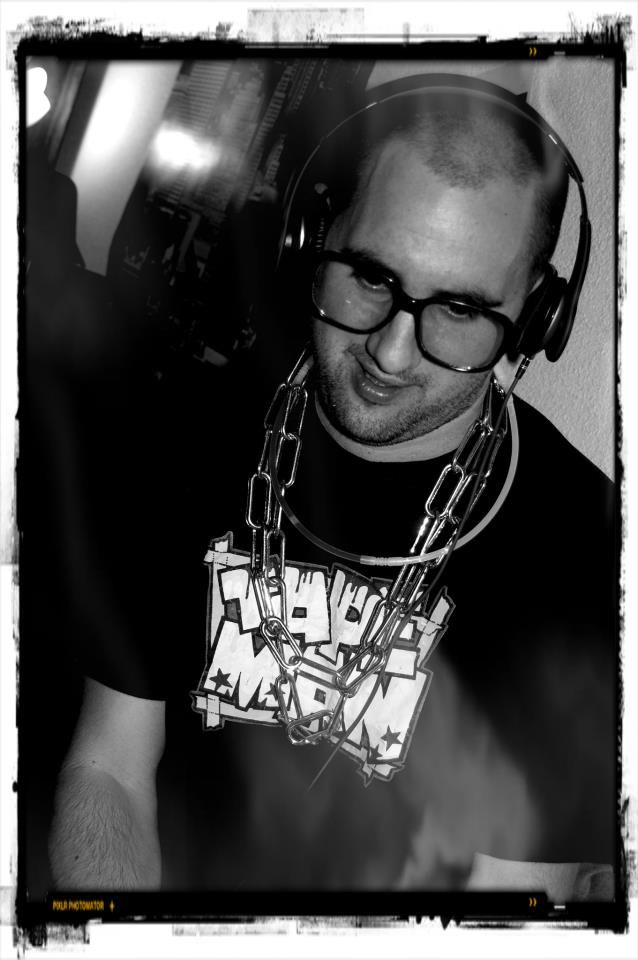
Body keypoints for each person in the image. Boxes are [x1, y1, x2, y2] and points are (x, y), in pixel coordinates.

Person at [47, 75, 616, 901]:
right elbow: (109, 769)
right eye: (372, 276)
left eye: (460, 309)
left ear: (536, 318)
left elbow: (503, 899)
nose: (391, 352)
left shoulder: (590, 557)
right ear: (311, 237)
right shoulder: (179, 436)